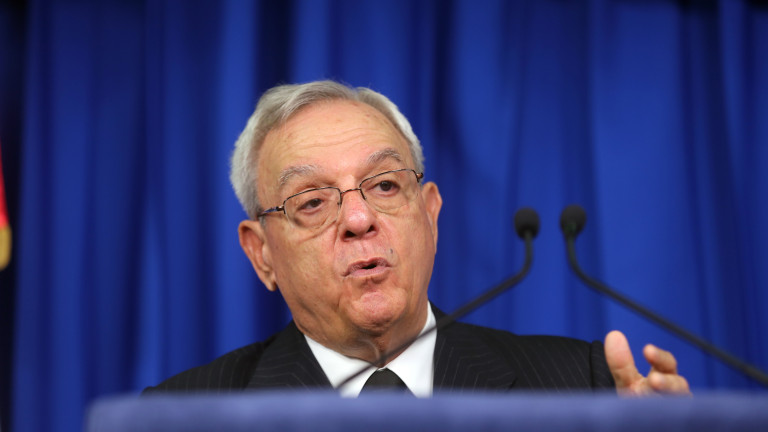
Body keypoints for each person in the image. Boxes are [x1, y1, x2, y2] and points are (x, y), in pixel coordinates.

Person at [145, 80, 690, 396]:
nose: (359, 219)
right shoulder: (182, 416)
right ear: (261, 253)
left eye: (385, 185)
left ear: (430, 214)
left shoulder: (579, 389)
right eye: (312, 202)